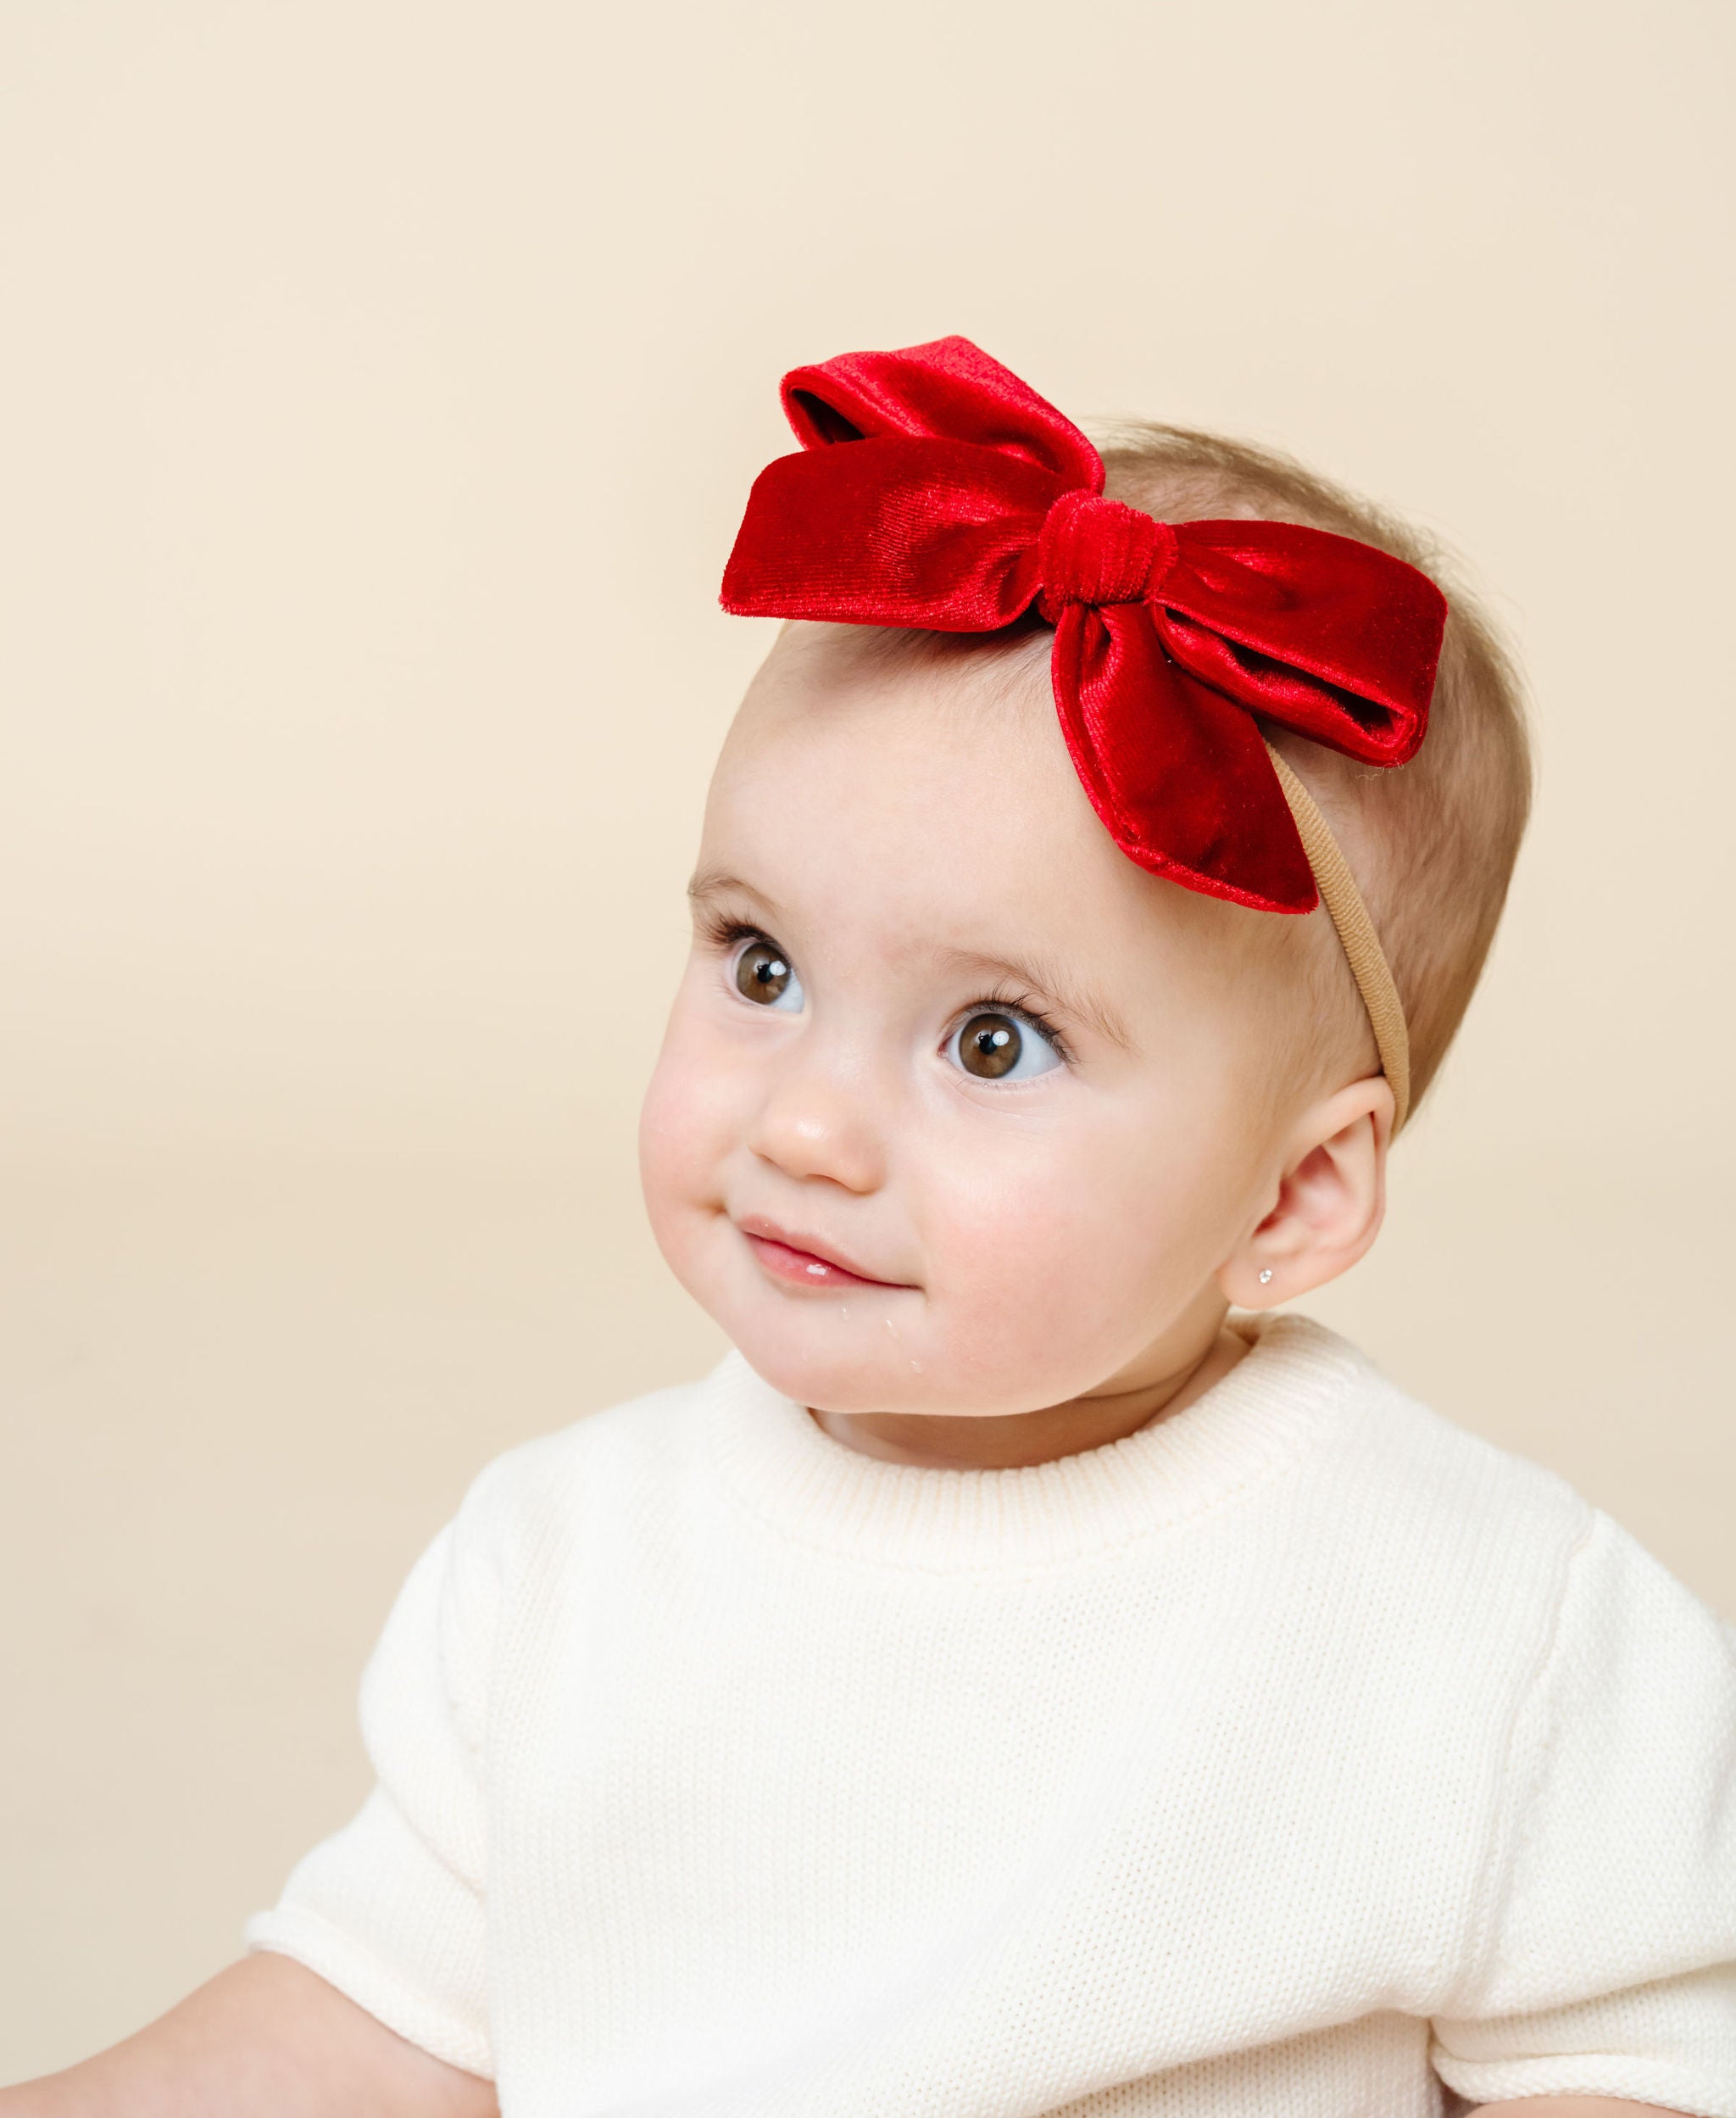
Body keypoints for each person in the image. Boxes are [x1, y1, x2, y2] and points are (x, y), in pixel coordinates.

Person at [8, 336, 1733, 2117]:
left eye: (993, 1042)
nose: (807, 1125)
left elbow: (1638, 2066)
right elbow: (368, 2032)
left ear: (1290, 1197)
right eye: (761, 965)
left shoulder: (1476, 1623)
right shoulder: (565, 1571)